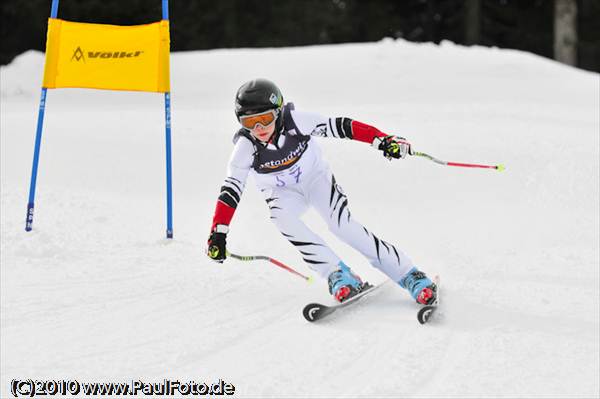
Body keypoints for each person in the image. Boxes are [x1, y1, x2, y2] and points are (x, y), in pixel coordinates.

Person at [206, 78, 436, 305]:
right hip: (281, 193)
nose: (259, 129)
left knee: (341, 225)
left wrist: (382, 140)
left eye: (265, 119)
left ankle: (409, 274)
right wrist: (218, 232)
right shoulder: (245, 147)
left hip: (316, 180)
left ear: (278, 112)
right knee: (281, 218)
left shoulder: (295, 121)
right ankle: (337, 273)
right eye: (249, 122)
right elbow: (231, 190)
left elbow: (342, 126)